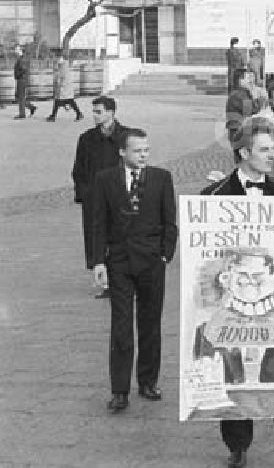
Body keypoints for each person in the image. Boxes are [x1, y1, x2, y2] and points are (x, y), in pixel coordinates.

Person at [201, 117, 274, 468]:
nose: (273, 155)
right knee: (232, 369)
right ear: (244, 152)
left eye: (273, 148)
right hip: (233, 298)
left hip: (272, 300)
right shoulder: (214, 196)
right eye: (265, 150)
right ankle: (237, 446)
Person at [89, 128, 177, 414]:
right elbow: (98, 222)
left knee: (150, 324)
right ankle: (119, 390)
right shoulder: (105, 180)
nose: (143, 155)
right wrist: (98, 262)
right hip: (120, 261)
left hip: (152, 261)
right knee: (122, 327)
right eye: (138, 151)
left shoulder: (161, 178)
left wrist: (166, 253)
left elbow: (169, 221)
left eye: (146, 150)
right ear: (122, 152)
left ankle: (148, 380)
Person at [72, 96, 131, 294]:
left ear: (111, 112)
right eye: (94, 111)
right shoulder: (87, 139)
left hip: (120, 198)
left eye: (99, 112)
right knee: (97, 238)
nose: (95, 116)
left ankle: (122, 280)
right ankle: (105, 280)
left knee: (121, 238)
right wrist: (84, 195)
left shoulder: (126, 136)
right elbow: (79, 170)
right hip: (94, 198)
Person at [226, 68, 265, 162]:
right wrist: (260, 98)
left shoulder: (240, 93)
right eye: (248, 78)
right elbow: (251, 110)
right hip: (240, 131)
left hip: (239, 130)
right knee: (244, 160)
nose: (251, 81)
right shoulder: (240, 94)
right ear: (240, 80)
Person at [46, 49, 83, 121]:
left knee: (62, 100)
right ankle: (78, 113)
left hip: (64, 85)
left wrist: (58, 82)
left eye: (52, 54)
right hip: (64, 85)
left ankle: (53, 116)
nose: (51, 56)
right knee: (64, 100)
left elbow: (60, 74)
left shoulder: (61, 62)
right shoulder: (61, 62)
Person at [12, 44, 37, 119]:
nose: (15, 50)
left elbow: (24, 69)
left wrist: (17, 75)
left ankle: (22, 114)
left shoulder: (22, 59)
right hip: (21, 79)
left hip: (21, 80)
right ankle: (31, 107)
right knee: (18, 97)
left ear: (20, 50)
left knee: (21, 97)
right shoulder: (20, 58)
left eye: (16, 49)